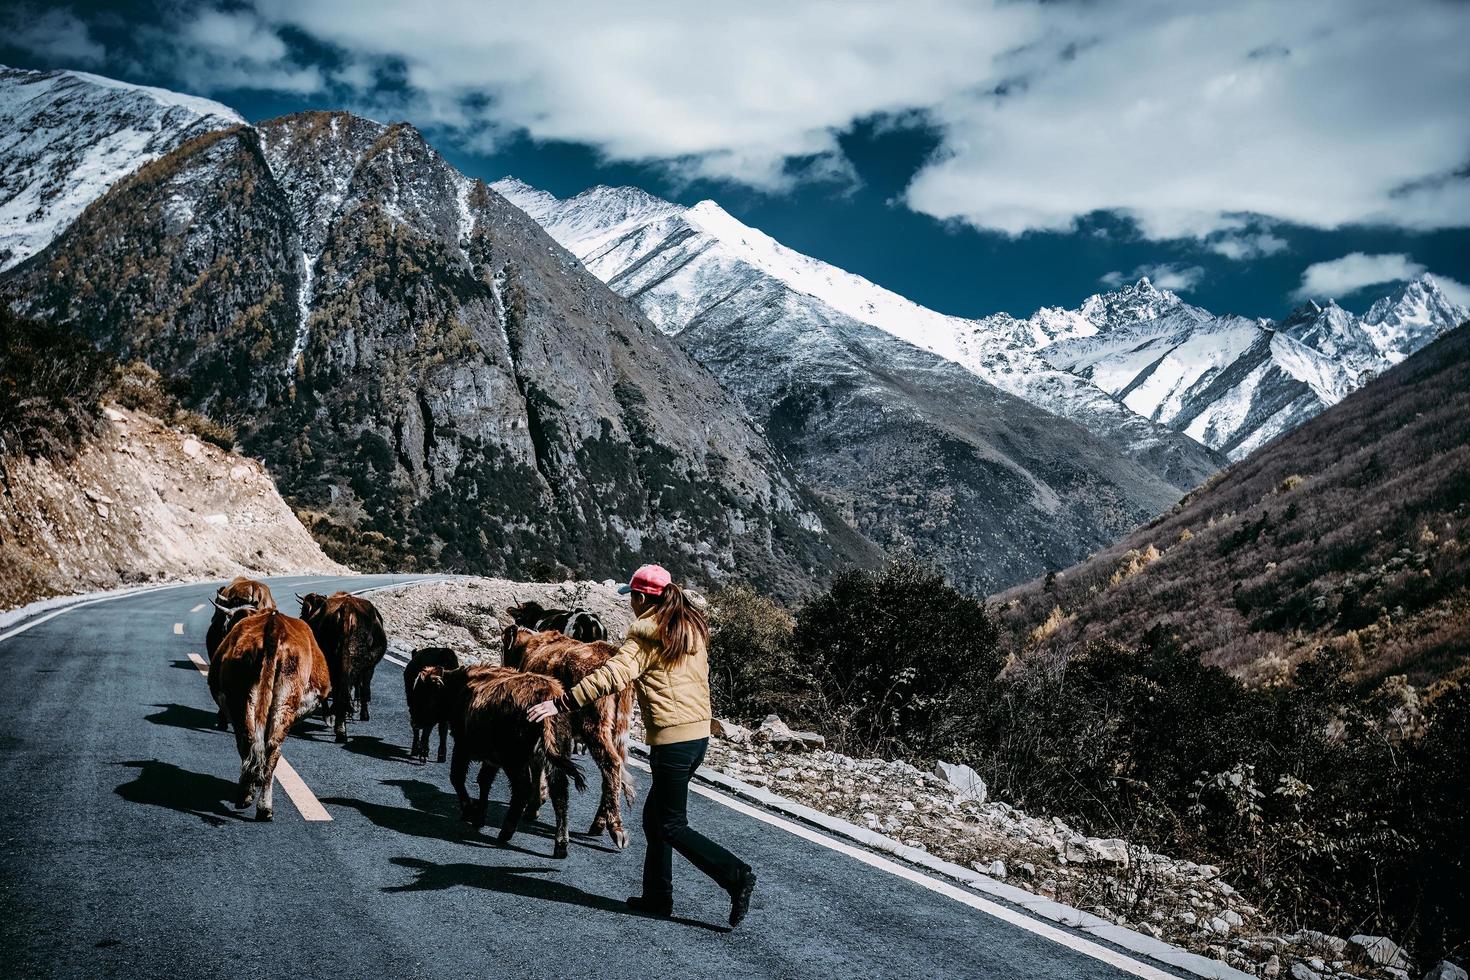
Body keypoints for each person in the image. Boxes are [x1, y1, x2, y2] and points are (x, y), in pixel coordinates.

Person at [527, 563, 757, 926]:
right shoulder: (688, 628)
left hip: (674, 740)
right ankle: (657, 897)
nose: (630, 605)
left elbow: (612, 675)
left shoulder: (647, 635)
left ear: (640, 598)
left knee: (670, 824)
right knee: (655, 819)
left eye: (631, 598)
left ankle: (736, 876)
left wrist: (560, 702)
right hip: (697, 737)